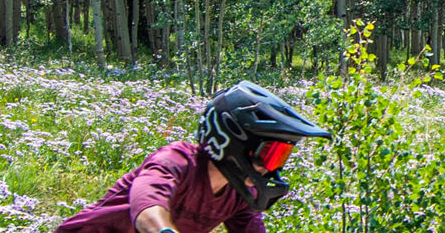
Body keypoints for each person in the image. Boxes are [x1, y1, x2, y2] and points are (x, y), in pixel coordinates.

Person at [56, 82, 331, 233]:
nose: (272, 168)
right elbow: (148, 207)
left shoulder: (237, 195)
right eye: (269, 155)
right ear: (234, 140)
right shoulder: (176, 160)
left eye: (280, 158)